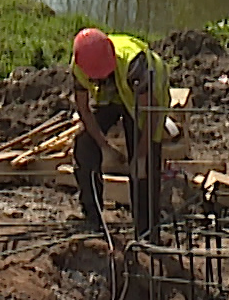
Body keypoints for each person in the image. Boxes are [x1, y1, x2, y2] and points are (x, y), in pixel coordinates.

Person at [70, 27, 170, 239]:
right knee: (84, 145)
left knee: (145, 167)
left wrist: (140, 155)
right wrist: (104, 145)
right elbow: (83, 109)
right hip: (113, 94)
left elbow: (151, 115)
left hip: (146, 95)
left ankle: (147, 233)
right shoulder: (81, 64)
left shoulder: (135, 64)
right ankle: (92, 218)